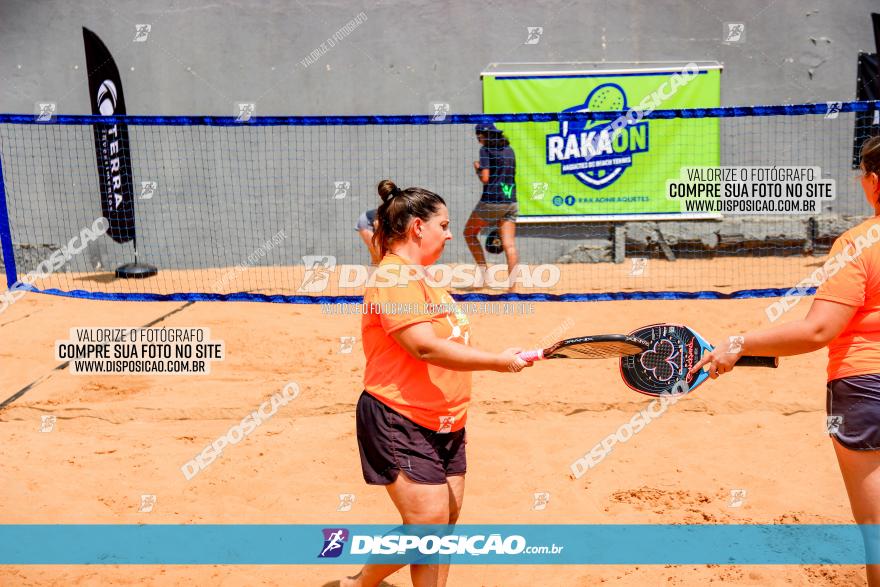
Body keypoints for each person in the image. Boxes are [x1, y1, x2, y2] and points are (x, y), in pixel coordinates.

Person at [691, 136, 880, 586]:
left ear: (874, 181)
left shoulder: (859, 245)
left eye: (862, 175)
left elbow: (817, 330)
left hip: (864, 386)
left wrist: (740, 343)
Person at [341, 179, 532, 587]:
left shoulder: (424, 277)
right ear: (417, 228)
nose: (450, 234)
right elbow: (424, 347)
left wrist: (500, 353)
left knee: (442, 526)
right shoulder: (394, 277)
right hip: (400, 416)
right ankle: (359, 584)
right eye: (443, 225)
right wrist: (499, 362)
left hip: (446, 419)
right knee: (426, 527)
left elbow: (449, 340)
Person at [463, 123, 520, 290]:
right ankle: (512, 288)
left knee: (469, 233)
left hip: (492, 201)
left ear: (484, 135)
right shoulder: (509, 149)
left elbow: (486, 178)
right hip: (511, 201)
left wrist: (478, 169)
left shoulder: (485, 150)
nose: (478, 138)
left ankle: (484, 277)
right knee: (509, 245)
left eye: (478, 135)